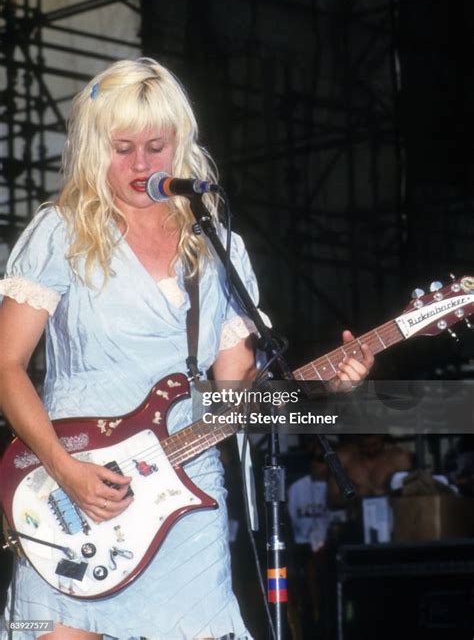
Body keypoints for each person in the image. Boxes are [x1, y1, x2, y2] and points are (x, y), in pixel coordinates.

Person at [0, 58, 374, 640]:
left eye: (156, 145)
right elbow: (6, 364)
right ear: (92, 146)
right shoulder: (62, 231)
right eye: (121, 147)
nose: (141, 164)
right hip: (73, 482)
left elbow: (233, 398)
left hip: (185, 484)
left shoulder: (217, 245)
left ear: (181, 144)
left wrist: (327, 387)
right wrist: (63, 466)